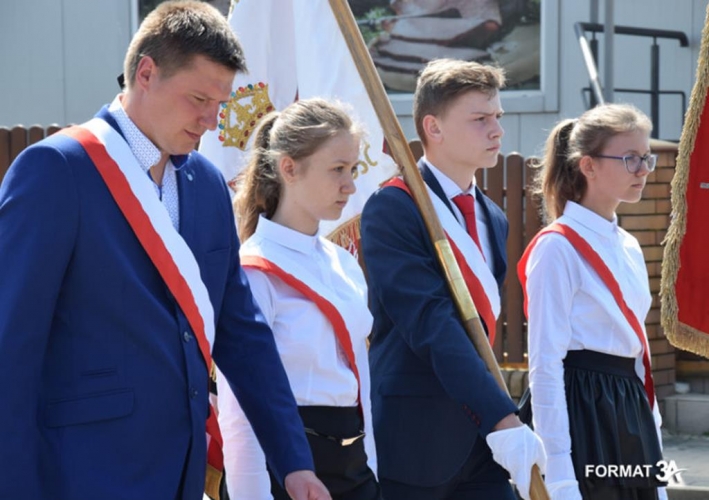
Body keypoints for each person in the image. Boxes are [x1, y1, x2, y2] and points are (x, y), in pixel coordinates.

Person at [0, 2, 330, 499]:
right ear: (146, 73)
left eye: (220, 103)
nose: (212, 121)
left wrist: (294, 462)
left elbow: (242, 333)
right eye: (199, 99)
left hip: (181, 471)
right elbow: (11, 345)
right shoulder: (56, 169)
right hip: (80, 473)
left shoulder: (207, 185)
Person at [359, 58, 546, 500]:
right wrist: (502, 417)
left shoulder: (493, 216)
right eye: (480, 119)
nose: (497, 130)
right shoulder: (394, 207)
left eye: (497, 116)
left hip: (482, 439)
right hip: (417, 439)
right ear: (434, 127)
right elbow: (430, 323)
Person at [217, 98, 381, 500]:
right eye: (337, 169)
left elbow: (359, 379)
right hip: (284, 464)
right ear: (289, 168)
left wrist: (371, 466)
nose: (350, 185)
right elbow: (239, 409)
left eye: (352, 169)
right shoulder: (253, 270)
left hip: (352, 462)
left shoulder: (344, 264)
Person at [518, 104, 666, 500]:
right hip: (582, 407)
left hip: (628, 405)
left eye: (646, 157)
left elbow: (638, 353)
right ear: (589, 166)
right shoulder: (556, 247)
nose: (643, 170)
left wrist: (654, 445)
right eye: (630, 158)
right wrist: (559, 472)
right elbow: (545, 365)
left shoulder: (629, 245)